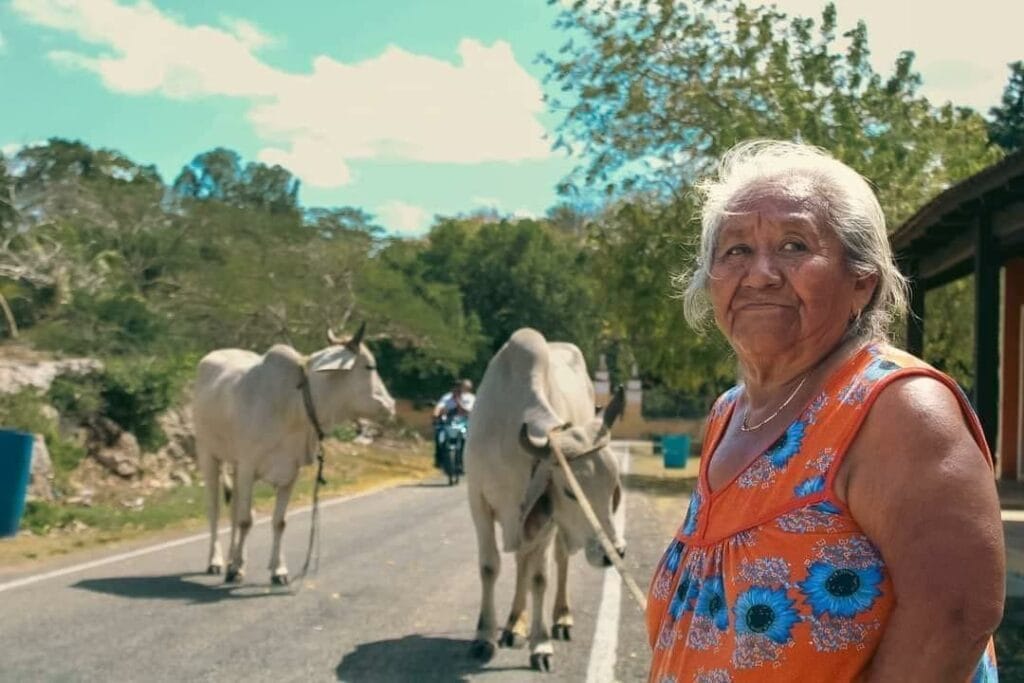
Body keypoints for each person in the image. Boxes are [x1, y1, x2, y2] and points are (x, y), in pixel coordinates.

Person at [646, 140, 1005, 682]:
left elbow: (955, 616)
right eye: (735, 250)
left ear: (862, 279)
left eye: (793, 245)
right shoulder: (730, 412)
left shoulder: (895, 407)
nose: (759, 274)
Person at [432, 379, 475, 468]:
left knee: (465, 439)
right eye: (454, 387)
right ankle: (439, 459)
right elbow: (439, 407)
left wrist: (457, 401)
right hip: (449, 422)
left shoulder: (469, 398)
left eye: (458, 387)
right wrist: (435, 416)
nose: (456, 389)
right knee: (439, 434)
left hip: (464, 423)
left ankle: (463, 461)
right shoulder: (447, 397)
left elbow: (468, 411)